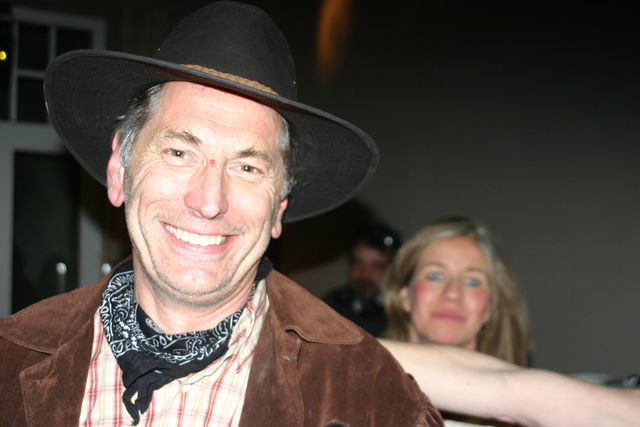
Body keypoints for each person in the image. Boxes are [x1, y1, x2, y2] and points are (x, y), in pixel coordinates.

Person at [0, 2, 443, 426]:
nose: (210, 202)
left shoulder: (372, 397)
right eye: (179, 153)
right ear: (119, 171)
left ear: (279, 207)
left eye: (247, 168)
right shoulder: (10, 359)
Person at [383, 216, 531, 366]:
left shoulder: (528, 381)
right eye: (435, 276)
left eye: (472, 282)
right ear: (405, 296)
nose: (453, 293)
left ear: (490, 307)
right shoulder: (369, 372)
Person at [323, 223, 401, 336]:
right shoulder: (331, 305)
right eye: (358, 263)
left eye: (377, 266)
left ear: (393, 269)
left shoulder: (402, 313)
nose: (365, 273)